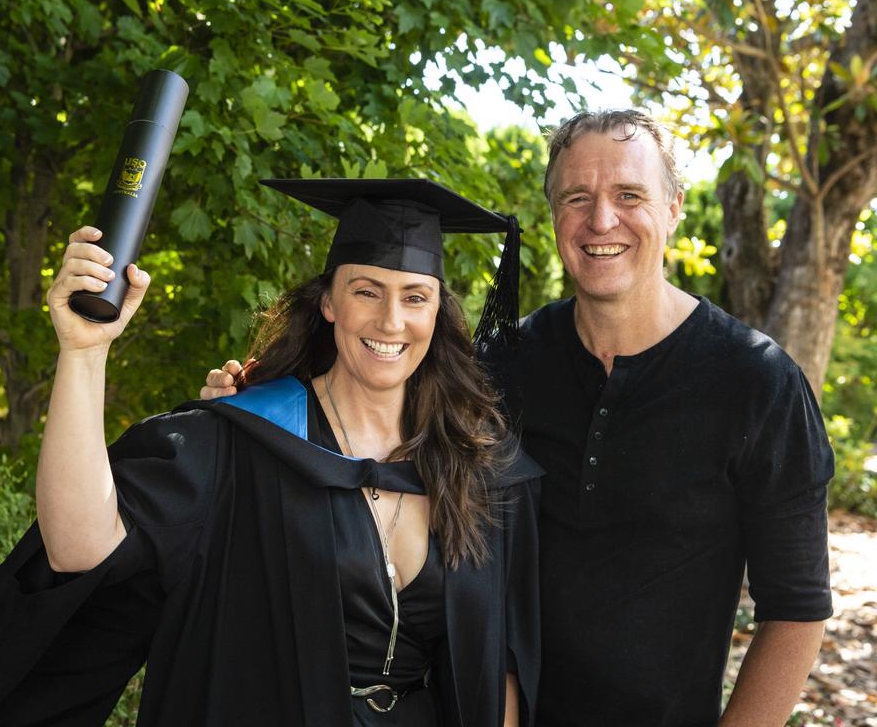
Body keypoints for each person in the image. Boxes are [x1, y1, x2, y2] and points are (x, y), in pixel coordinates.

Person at [202, 111, 834, 727]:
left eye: (629, 194)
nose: (601, 220)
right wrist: (253, 409)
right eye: (577, 197)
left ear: (674, 208)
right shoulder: (497, 369)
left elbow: (797, 608)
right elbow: (366, 407)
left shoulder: (757, 383)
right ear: (554, 215)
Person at [0, 178, 543, 726]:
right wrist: (83, 354)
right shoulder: (243, 440)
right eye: (367, 291)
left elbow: (501, 658)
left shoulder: (475, 464)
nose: (392, 320)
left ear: (437, 311)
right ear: (329, 304)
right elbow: (79, 548)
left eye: (416, 297)